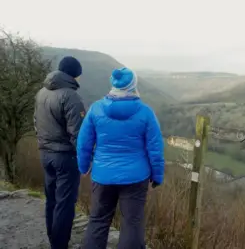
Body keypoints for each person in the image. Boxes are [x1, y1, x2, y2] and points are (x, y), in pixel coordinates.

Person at [77, 67, 164, 249]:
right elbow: (155, 148)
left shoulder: (96, 109)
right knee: (132, 223)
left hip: (102, 176)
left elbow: (84, 142)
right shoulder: (145, 112)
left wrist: (84, 167)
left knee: (98, 221)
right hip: (135, 177)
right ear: (133, 85)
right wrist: (157, 175)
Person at [34, 56, 85, 249]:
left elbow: (36, 123)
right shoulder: (71, 96)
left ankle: (53, 239)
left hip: (45, 154)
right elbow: (78, 133)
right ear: (74, 75)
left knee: (52, 199)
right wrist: (84, 158)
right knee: (65, 202)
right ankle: (60, 244)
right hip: (65, 156)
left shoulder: (41, 92)